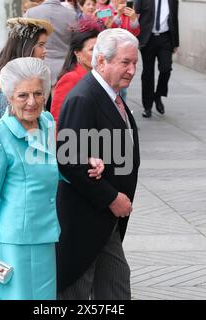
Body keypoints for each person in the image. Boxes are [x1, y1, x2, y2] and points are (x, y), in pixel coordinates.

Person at [0, 57, 105, 300]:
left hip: (45, 237)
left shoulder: (47, 122)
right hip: (13, 244)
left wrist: (84, 162)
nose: (32, 102)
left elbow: (51, 164)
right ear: (9, 97)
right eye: (23, 95)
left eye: (38, 93)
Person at [56, 28, 140, 299]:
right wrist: (112, 197)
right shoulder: (84, 97)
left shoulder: (110, 94)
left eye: (135, 63)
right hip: (86, 219)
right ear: (101, 61)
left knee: (115, 285)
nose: (131, 70)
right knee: (78, 289)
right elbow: (70, 162)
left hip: (104, 220)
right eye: (125, 62)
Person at [0, 17, 52, 119]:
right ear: (26, 46)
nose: (45, 51)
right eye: (40, 45)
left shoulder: (35, 77)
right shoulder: (8, 82)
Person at [25, 0, 77, 107]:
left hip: (38, 64)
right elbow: (74, 41)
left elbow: (26, 40)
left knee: (36, 105)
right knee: (58, 108)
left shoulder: (31, 13)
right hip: (62, 66)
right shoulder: (71, 15)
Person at [50, 19, 101, 124]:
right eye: (92, 50)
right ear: (77, 53)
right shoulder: (70, 78)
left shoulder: (99, 75)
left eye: (99, 49)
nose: (97, 54)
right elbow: (58, 118)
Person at [134, 0, 179, 117]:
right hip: (148, 39)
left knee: (166, 68)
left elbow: (174, 19)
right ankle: (147, 106)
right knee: (148, 73)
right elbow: (135, 13)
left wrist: (176, 43)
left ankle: (158, 95)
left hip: (165, 39)